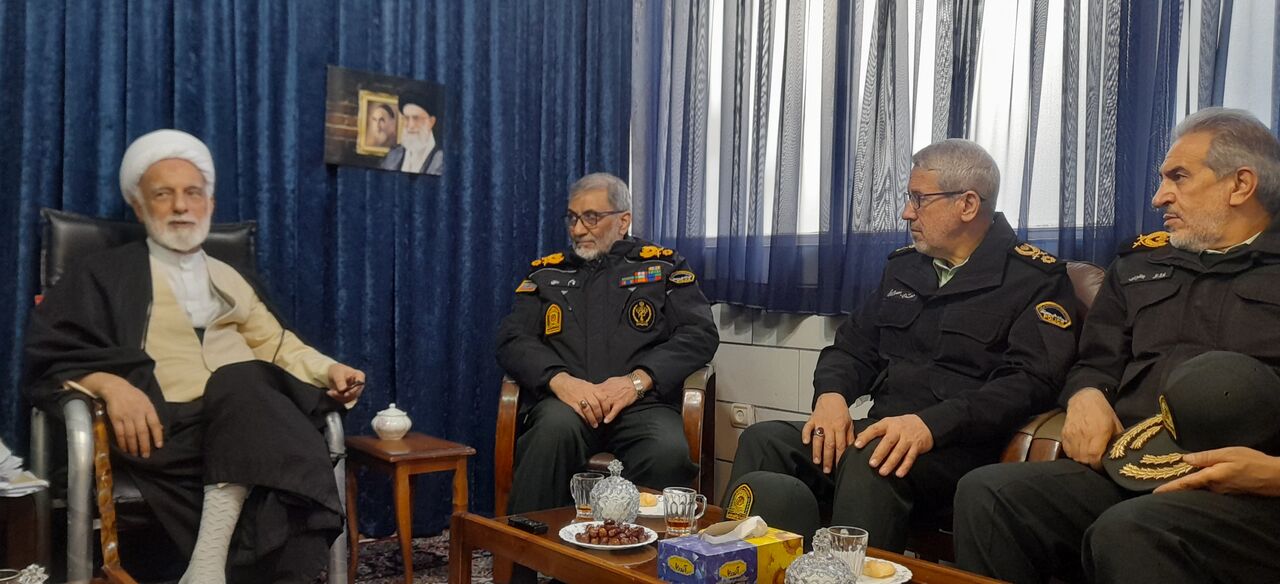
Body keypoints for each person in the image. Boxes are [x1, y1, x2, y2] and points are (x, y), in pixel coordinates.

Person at [953, 107, 1280, 584]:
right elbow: (1095, 361)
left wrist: (1274, 474)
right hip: (1132, 464)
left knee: (1130, 531)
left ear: (1240, 185)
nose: (1158, 197)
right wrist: (1086, 395)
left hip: (1249, 485)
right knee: (989, 493)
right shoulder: (1140, 265)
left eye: (1178, 177)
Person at [23, 129, 366, 584]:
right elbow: (53, 352)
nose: (181, 206)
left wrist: (331, 370)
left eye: (192, 193)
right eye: (163, 195)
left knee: (244, 381)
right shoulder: (102, 273)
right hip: (165, 431)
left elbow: (278, 346)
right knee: (248, 388)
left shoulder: (231, 276)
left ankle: (206, 568)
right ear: (140, 207)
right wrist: (109, 383)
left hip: (250, 420)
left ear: (210, 204)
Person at [722, 139, 1079, 552]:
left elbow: (1030, 383)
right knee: (764, 440)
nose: (908, 212)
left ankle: (846, 577)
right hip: (882, 433)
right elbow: (852, 347)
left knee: (872, 458)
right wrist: (832, 396)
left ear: (967, 204)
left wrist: (931, 425)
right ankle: (737, 566)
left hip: (959, 449)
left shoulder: (1034, 278)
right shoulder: (906, 267)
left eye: (919, 199)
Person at [495, 172, 718, 514]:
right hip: (568, 404)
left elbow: (699, 333)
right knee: (548, 435)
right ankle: (528, 547)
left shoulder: (663, 266)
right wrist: (560, 381)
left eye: (591, 217)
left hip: (641, 405)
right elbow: (512, 339)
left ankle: (640, 548)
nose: (578, 229)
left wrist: (637, 382)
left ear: (623, 221)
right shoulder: (546, 274)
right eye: (573, 218)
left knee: (667, 451)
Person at [379, 92, 443, 175]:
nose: (410, 125)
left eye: (416, 118)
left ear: (431, 122)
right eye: (406, 118)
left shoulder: (442, 160)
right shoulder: (393, 155)